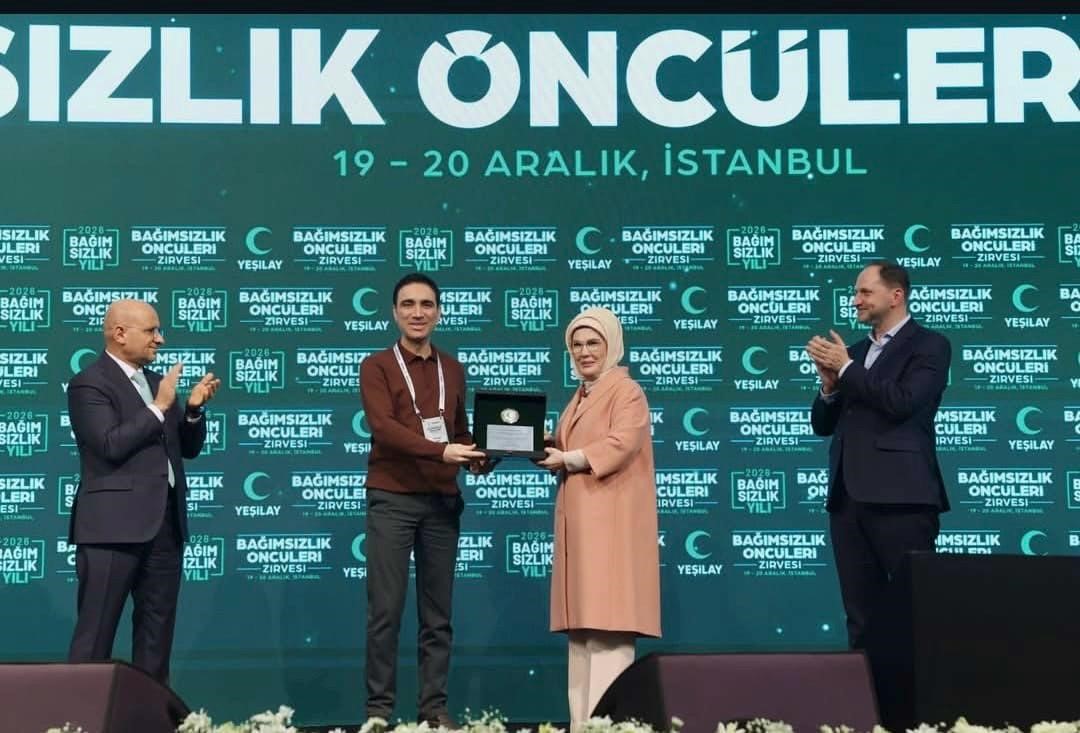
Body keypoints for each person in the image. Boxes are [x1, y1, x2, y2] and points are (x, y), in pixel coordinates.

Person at [360, 273, 491, 727]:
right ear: (395, 313)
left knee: (438, 616)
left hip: (441, 503)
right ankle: (379, 713)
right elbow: (384, 428)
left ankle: (433, 710)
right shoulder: (376, 366)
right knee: (386, 612)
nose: (418, 312)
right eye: (408, 304)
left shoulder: (452, 368)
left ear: (439, 313)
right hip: (392, 499)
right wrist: (443, 451)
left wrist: (485, 454)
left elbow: (459, 433)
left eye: (427, 304)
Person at [67, 298, 220, 683]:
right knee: (95, 638)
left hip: (165, 528)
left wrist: (192, 411)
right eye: (151, 331)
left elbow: (186, 449)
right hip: (111, 531)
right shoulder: (89, 383)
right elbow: (109, 444)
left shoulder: (155, 384)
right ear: (120, 334)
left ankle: (147, 712)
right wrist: (158, 407)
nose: (160, 339)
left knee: (156, 640)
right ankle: (78, 712)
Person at [806, 260, 951, 649]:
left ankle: (924, 691)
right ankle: (868, 690)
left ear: (896, 295)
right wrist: (829, 387)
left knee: (917, 610)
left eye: (865, 292)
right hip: (847, 500)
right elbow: (822, 424)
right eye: (855, 293)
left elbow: (903, 402)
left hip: (902, 498)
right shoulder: (851, 353)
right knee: (860, 616)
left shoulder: (929, 345)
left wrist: (847, 369)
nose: (856, 300)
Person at [537, 307, 661, 733]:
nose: (584, 351)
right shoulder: (584, 394)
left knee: (608, 636)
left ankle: (606, 728)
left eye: (593, 343)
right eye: (577, 344)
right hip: (583, 533)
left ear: (612, 345)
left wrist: (568, 457)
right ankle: (582, 727)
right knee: (583, 638)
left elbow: (621, 442)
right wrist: (534, 444)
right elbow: (569, 443)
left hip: (611, 533)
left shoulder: (626, 391)